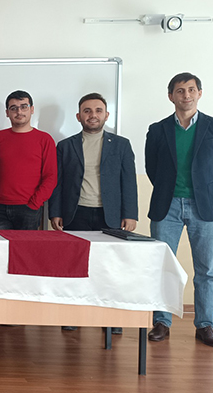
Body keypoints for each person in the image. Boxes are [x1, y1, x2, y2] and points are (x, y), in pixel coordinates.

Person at [145, 73, 213, 347]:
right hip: (166, 205)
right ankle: (161, 321)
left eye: (191, 90)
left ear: (200, 93)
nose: (186, 95)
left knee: (206, 270)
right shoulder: (158, 130)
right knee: (163, 267)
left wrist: (204, 191)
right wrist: (169, 191)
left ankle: (205, 325)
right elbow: (152, 168)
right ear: (171, 96)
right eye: (180, 91)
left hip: (204, 207)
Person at [48, 93, 137, 334]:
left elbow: (128, 181)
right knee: (75, 264)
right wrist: (55, 211)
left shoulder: (121, 145)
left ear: (106, 115)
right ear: (79, 116)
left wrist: (130, 213)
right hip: (76, 213)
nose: (93, 115)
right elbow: (58, 182)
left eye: (98, 110)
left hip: (110, 215)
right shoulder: (65, 146)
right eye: (87, 111)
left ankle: (111, 317)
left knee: (110, 266)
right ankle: (74, 313)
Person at [0, 90, 57, 230]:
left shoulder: (45, 140)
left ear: (31, 109)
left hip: (29, 208)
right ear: (7, 113)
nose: (19, 111)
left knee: (25, 251)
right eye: (14, 108)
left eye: (24, 106)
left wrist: (34, 203)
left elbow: (51, 176)